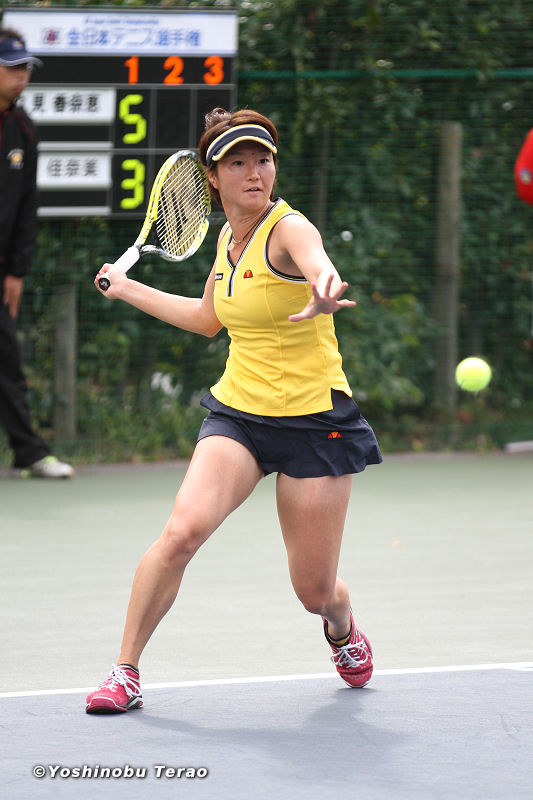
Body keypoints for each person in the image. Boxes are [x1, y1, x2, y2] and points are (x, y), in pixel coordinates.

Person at [86, 107, 382, 714]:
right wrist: (128, 287)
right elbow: (207, 320)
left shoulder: (289, 228)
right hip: (239, 415)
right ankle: (124, 672)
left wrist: (325, 288)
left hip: (315, 423)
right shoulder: (227, 239)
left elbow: (320, 265)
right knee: (180, 533)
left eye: (263, 160)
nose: (254, 173)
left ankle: (341, 623)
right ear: (212, 178)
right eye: (238, 162)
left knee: (313, 590)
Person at [0, 28, 73, 479]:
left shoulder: (23, 128)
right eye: (12, 68)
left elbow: (27, 205)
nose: (21, 77)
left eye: (25, 68)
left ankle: (28, 452)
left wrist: (16, 272)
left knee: (7, 361)